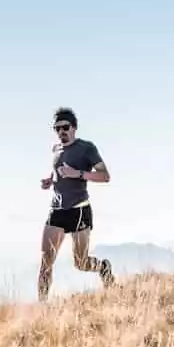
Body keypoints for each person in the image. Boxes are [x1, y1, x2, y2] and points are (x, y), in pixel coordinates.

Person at [38, 107, 114, 301]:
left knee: (80, 263)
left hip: (79, 210)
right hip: (57, 211)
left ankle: (103, 267)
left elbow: (105, 176)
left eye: (65, 127)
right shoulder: (55, 149)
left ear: (74, 127)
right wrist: (50, 180)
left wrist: (77, 174)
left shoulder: (86, 148)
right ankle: (42, 309)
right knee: (46, 262)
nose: (61, 132)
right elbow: (57, 171)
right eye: (57, 128)